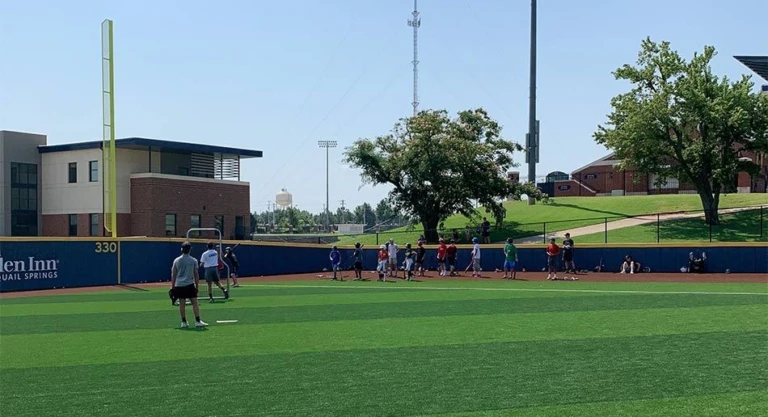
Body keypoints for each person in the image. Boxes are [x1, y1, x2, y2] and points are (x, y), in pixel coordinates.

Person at [171, 241, 208, 328]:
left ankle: (184, 322)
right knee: (195, 302)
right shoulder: (193, 260)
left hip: (179, 284)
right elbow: (196, 274)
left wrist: (173, 287)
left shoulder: (176, 260)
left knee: (182, 303)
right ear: (190, 250)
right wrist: (197, 286)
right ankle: (197, 321)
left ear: (181, 249)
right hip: (189, 284)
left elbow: (174, 274)